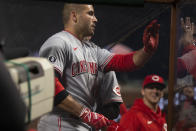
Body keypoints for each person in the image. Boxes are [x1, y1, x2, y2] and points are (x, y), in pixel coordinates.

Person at [38, 3, 160, 131]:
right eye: (90, 13)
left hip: (83, 125)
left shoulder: (93, 50)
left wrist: (147, 51)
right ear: (74, 16)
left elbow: (124, 62)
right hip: (59, 123)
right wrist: (85, 113)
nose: (95, 19)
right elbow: (49, 84)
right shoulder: (58, 42)